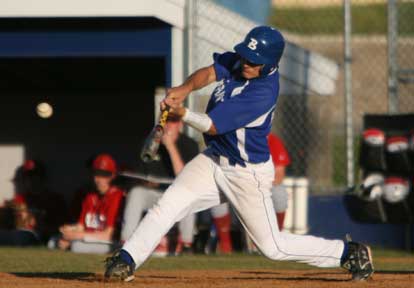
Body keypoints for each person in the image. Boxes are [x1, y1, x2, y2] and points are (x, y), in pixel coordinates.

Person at [104, 26, 374, 282]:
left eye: (253, 61)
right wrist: (185, 89)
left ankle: (348, 252)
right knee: (169, 204)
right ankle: (126, 259)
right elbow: (209, 73)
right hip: (213, 159)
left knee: (272, 247)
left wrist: (182, 113)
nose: (246, 63)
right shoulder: (241, 62)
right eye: (245, 55)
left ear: (269, 65)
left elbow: (212, 124)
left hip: (246, 173)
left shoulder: (263, 93)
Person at [121, 117, 199, 255]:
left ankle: (186, 245)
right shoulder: (150, 143)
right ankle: (125, 244)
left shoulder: (189, 144)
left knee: (189, 197)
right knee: (136, 193)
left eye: (173, 122)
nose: (168, 126)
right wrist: (147, 182)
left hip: (176, 194)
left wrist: (170, 146)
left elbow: (185, 177)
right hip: (154, 193)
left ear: (180, 124)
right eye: (166, 122)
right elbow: (138, 174)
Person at [52, 154, 124, 254]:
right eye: (96, 174)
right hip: (88, 237)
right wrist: (69, 231)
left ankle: (71, 245)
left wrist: (76, 236)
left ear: (112, 176)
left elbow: (107, 235)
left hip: (109, 242)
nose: (98, 179)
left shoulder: (117, 196)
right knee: (53, 241)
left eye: (104, 175)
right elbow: (81, 226)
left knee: (77, 246)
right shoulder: (90, 196)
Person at [0, 160, 66, 246]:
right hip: (17, 234)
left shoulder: (55, 199)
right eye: (28, 177)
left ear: (42, 178)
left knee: (22, 237)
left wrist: (40, 225)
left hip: (38, 236)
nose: (31, 180)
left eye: (35, 176)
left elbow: (63, 227)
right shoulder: (18, 199)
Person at [268, 132, 291, 230]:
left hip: (265, 184)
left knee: (279, 192)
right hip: (243, 183)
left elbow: (278, 177)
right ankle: (226, 241)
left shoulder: (272, 140)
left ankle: (278, 232)